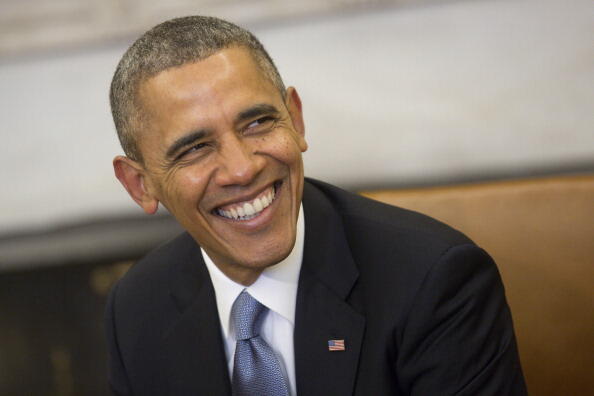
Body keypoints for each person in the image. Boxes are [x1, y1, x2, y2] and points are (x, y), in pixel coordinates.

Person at [105, 16, 527, 396]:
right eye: (195, 148)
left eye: (257, 123)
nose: (241, 169)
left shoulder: (435, 283)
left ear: (296, 119)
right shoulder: (137, 307)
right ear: (140, 184)